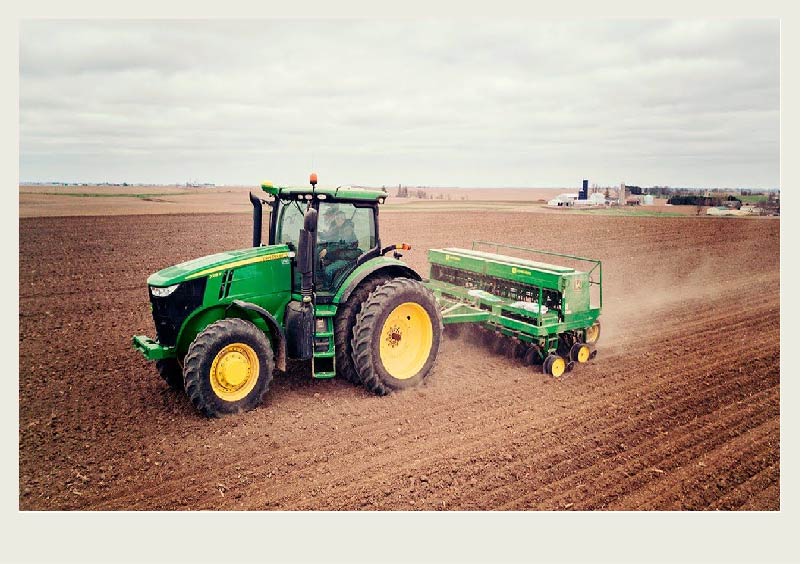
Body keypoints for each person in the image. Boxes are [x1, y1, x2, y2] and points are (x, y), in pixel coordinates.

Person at [318, 207, 359, 288]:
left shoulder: (347, 229)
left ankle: (327, 288)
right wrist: (317, 234)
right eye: (337, 218)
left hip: (347, 257)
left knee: (328, 271)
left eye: (341, 219)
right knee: (317, 251)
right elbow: (330, 236)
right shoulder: (338, 227)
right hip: (340, 254)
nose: (338, 220)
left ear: (344, 219)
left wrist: (327, 250)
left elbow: (341, 244)